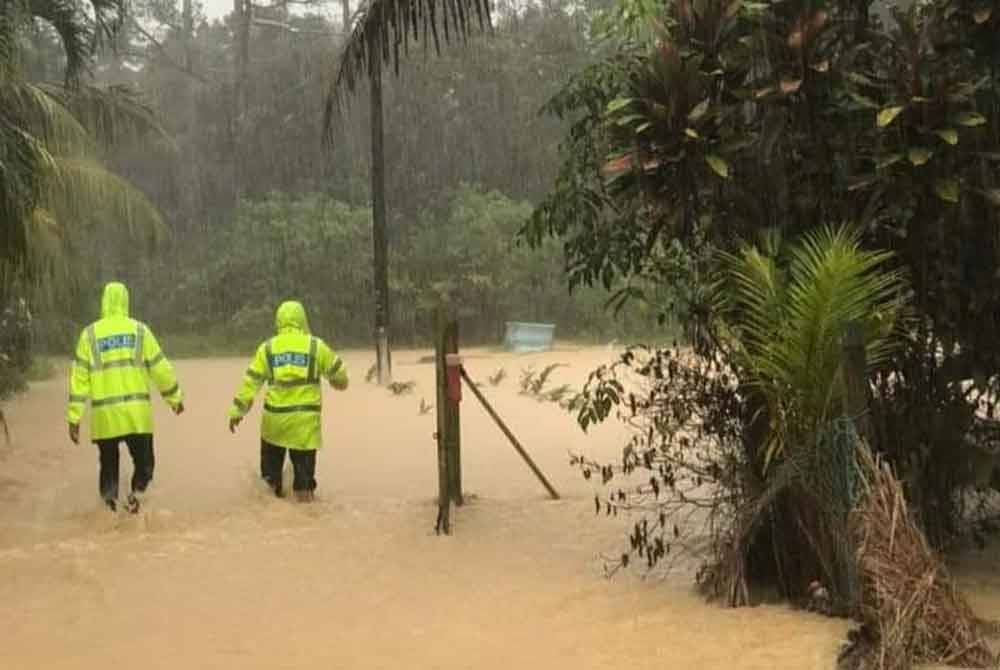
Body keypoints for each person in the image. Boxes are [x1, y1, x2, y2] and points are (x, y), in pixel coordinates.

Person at [66, 282, 184, 513]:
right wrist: (174, 398)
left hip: (105, 417)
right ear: (126, 302)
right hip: (136, 416)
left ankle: (109, 514)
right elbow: (160, 368)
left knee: (108, 468)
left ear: (104, 301)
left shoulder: (89, 335)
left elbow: (79, 380)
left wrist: (74, 417)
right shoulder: (140, 331)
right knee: (145, 465)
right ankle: (136, 503)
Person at [228, 300, 348, 502]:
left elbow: (250, 382)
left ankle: (269, 524)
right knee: (304, 489)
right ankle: (305, 525)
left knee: (269, 488)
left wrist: (236, 412)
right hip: (304, 428)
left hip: (274, 425)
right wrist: (337, 383)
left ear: (279, 322)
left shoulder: (267, 348)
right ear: (303, 320)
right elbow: (341, 376)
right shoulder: (315, 346)